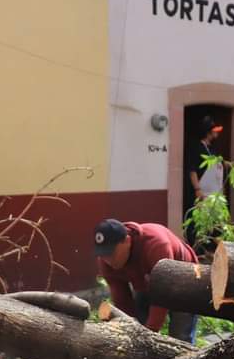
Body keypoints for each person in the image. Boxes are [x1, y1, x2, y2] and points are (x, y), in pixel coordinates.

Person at [95, 219, 199, 343]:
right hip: (148, 283)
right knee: (138, 327)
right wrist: (130, 331)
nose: (108, 260)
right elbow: (122, 301)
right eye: (104, 254)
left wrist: (149, 337)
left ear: (127, 241)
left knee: (180, 338)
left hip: (184, 278)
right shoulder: (105, 262)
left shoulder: (156, 245)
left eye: (112, 253)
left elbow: (163, 294)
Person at [183, 116, 224, 246]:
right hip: (201, 190)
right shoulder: (196, 147)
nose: (217, 133)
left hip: (213, 192)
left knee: (212, 220)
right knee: (197, 219)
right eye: (214, 130)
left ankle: (209, 246)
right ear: (208, 131)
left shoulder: (212, 149)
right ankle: (196, 246)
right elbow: (192, 169)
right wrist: (197, 189)